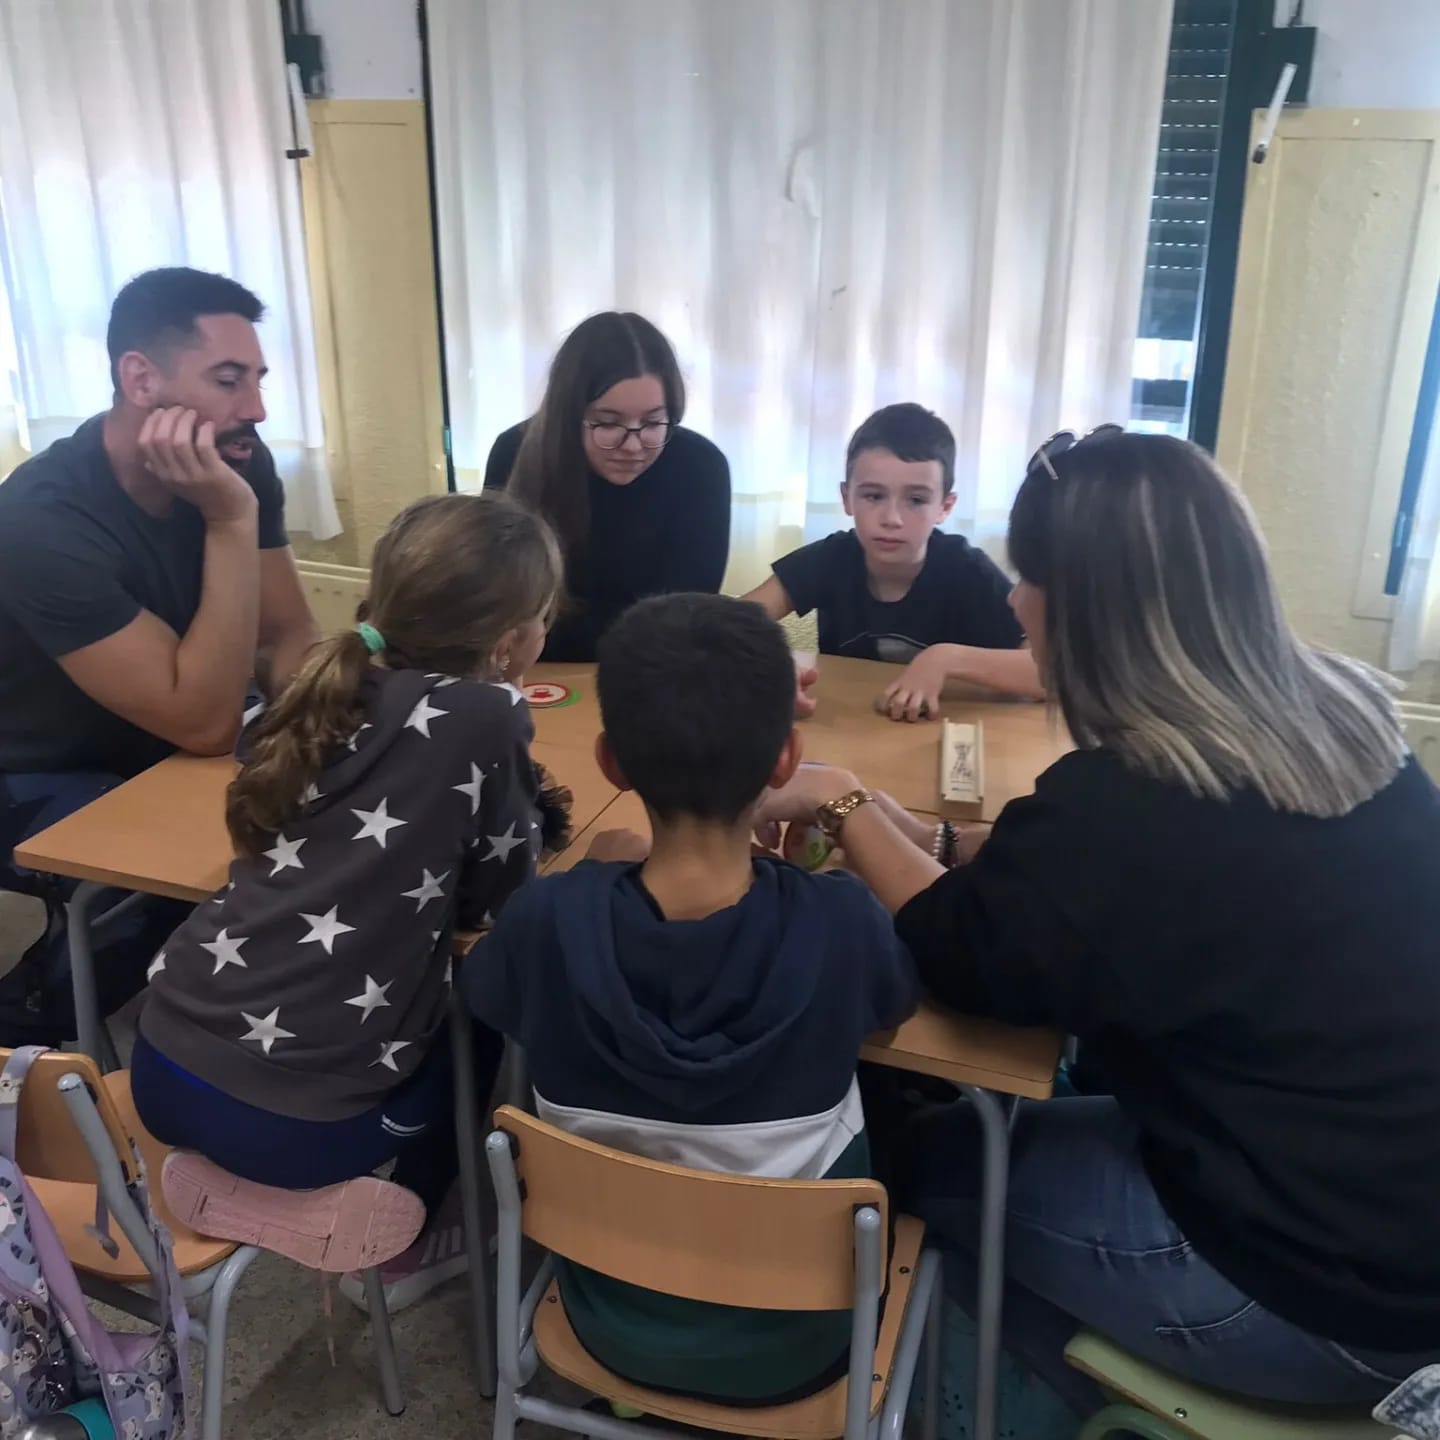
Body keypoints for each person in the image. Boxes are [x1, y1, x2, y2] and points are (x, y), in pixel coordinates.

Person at [752, 431, 1440, 1413]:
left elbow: (965, 958)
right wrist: (935, 838)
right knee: (1015, 1109)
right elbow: (1086, 882)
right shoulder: (1330, 707)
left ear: (1084, 609)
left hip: (1316, 1293)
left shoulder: (1134, 799)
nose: (1012, 603)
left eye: (1030, 581)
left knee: (916, 1156)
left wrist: (842, 802)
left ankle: (1027, 1394)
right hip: (1386, 1218)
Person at [465, 592, 916, 1404]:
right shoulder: (844, 922)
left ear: (610, 763)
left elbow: (489, 987)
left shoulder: (546, 919)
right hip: (802, 1348)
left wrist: (590, 877)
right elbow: (897, 1005)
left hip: (607, 1323)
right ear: (786, 761)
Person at [132, 491, 567, 1313]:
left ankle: (246, 1189)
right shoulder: (489, 713)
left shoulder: (324, 683)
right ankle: (409, 1247)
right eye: (544, 617)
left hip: (159, 1066)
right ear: (511, 643)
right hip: (306, 1132)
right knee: (483, 1014)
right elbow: (501, 897)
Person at [0, 267, 320, 1043]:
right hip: (38, 768)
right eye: (228, 380)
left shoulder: (236, 461)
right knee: (162, 880)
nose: (257, 409)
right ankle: (34, 1028)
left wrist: (321, 735)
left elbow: (287, 640)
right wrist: (230, 522)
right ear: (140, 379)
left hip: (165, 736)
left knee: (323, 819)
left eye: (259, 380)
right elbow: (204, 724)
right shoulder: (40, 520)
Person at [744, 403, 1041, 720]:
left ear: (945, 506)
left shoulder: (968, 570)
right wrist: (775, 666)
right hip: (849, 724)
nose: (892, 518)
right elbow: (725, 625)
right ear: (847, 498)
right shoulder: (831, 557)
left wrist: (945, 659)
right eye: (873, 496)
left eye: (916, 500)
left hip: (947, 727)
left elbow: (1049, 675)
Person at [484, 312, 731, 661]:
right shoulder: (515, 451)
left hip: (653, 664)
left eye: (653, 422)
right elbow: (504, 601)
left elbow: (686, 614)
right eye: (608, 423)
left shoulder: (701, 467)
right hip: (536, 665)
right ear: (569, 415)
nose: (633, 445)